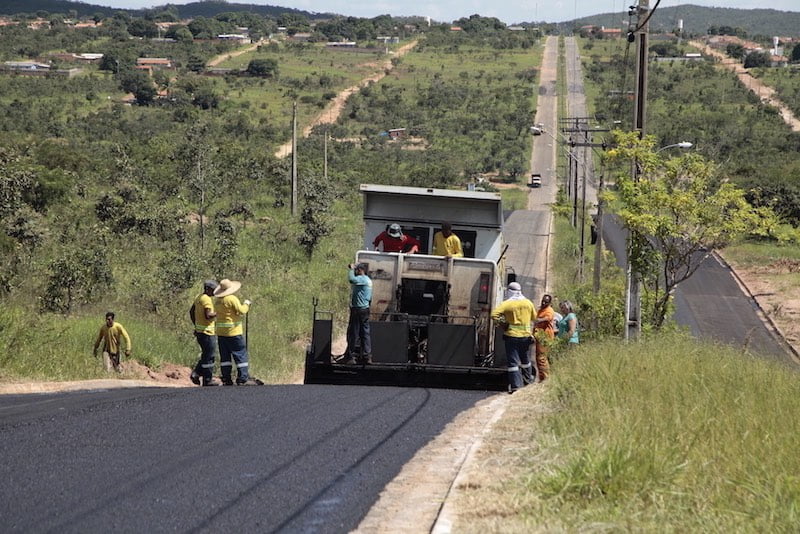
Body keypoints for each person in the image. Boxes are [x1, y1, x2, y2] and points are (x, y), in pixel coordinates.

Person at [491, 282, 536, 393]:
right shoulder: (528, 303)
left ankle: (516, 386)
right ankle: (528, 381)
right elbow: (534, 316)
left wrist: (503, 323)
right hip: (525, 336)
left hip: (512, 336)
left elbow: (493, 315)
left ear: (510, 291)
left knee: (513, 363)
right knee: (526, 360)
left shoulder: (507, 304)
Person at [214, 278, 258, 386]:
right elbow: (241, 310)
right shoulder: (231, 299)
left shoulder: (218, 301)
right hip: (233, 332)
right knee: (240, 354)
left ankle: (226, 378)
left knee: (225, 357)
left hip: (221, 333)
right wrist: (247, 304)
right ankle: (243, 378)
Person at [190, 280, 222, 387]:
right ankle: (207, 379)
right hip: (208, 332)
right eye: (213, 290)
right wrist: (219, 313)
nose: (215, 292)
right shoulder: (207, 300)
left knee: (206, 355)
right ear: (208, 289)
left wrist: (196, 324)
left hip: (200, 332)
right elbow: (208, 315)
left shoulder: (199, 298)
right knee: (210, 356)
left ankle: (196, 373)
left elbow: (191, 311)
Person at [343, 262, 373, 365]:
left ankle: (351, 356)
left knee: (354, 333)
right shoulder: (369, 281)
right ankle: (367, 356)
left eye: (357, 270)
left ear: (360, 270)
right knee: (365, 333)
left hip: (358, 310)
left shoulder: (362, 279)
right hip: (365, 309)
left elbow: (351, 279)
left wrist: (351, 269)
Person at [533, 294, 555, 382]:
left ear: (549, 303)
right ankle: (542, 377)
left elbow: (548, 318)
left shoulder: (549, 310)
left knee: (542, 358)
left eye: (546, 302)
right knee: (538, 358)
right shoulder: (540, 310)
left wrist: (539, 320)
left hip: (545, 337)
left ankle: (545, 378)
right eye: (542, 301)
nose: (543, 303)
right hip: (539, 337)